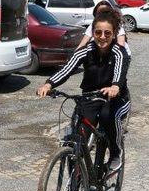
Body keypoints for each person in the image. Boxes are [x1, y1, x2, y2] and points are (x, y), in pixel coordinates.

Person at [38, 10, 130, 171]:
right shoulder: (85, 51)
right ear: (93, 33)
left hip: (116, 98)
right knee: (80, 135)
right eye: (98, 32)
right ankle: (78, 179)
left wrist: (115, 86)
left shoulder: (118, 52)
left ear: (114, 34)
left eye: (107, 33)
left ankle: (115, 153)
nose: (102, 37)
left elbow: (119, 73)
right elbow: (67, 69)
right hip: (91, 97)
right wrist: (49, 84)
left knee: (109, 116)